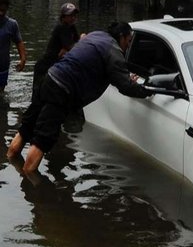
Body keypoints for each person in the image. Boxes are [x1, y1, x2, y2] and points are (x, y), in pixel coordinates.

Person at [7, 20, 153, 175]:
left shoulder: (96, 35)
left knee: (27, 127)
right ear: (122, 37)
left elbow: (87, 52)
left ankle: (12, 160)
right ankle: (30, 184)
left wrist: (126, 78)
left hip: (50, 77)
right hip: (62, 89)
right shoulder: (114, 51)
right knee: (43, 138)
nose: (128, 45)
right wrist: (146, 90)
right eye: (129, 41)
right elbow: (125, 86)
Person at [32, 2, 83, 95]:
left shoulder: (72, 27)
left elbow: (75, 44)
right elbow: (71, 46)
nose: (73, 17)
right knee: (38, 96)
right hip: (45, 66)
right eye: (70, 15)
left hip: (55, 66)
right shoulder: (62, 27)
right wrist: (81, 40)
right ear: (63, 17)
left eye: (74, 15)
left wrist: (70, 47)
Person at [0, 0, 26, 92]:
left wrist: (23, 59)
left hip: (3, 65)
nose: (1, 13)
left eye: (3, 11)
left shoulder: (12, 24)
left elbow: (19, 42)